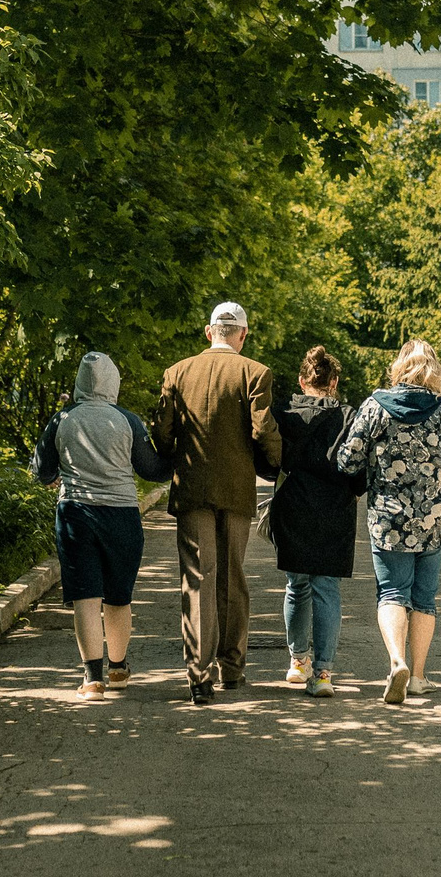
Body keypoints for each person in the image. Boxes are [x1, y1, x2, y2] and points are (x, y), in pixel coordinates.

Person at [151, 301, 283, 705]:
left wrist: (174, 455)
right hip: (237, 489)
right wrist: (275, 465)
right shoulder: (254, 373)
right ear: (242, 335)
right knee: (232, 576)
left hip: (192, 488)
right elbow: (264, 430)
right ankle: (232, 667)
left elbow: (162, 430)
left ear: (209, 332)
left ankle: (198, 675)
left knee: (198, 578)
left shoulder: (177, 372)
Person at [333, 338, 441, 705]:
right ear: (434, 370)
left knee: (393, 593)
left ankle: (397, 663)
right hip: (435, 520)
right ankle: (420, 676)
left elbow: (348, 460)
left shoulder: (375, 407)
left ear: (399, 367)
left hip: (388, 518)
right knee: (425, 598)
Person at [35, 351, 174, 698]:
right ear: (114, 382)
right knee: (118, 597)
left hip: (74, 514)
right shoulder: (127, 420)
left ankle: (91, 678)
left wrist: (56, 475)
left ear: (80, 382)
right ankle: (118, 668)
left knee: (85, 597)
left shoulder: (62, 419)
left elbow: (42, 470)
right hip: (122, 515)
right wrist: (178, 454)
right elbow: (151, 470)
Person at [269, 346, 365, 699]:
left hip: (293, 504)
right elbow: (358, 462)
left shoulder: (283, 411)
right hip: (335, 506)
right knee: (327, 588)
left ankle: (298, 662)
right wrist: (356, 490)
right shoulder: (348, 415)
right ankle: (323, 672)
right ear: (334, 382)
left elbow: (269, 456)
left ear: (301, 381)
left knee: (296, 585)